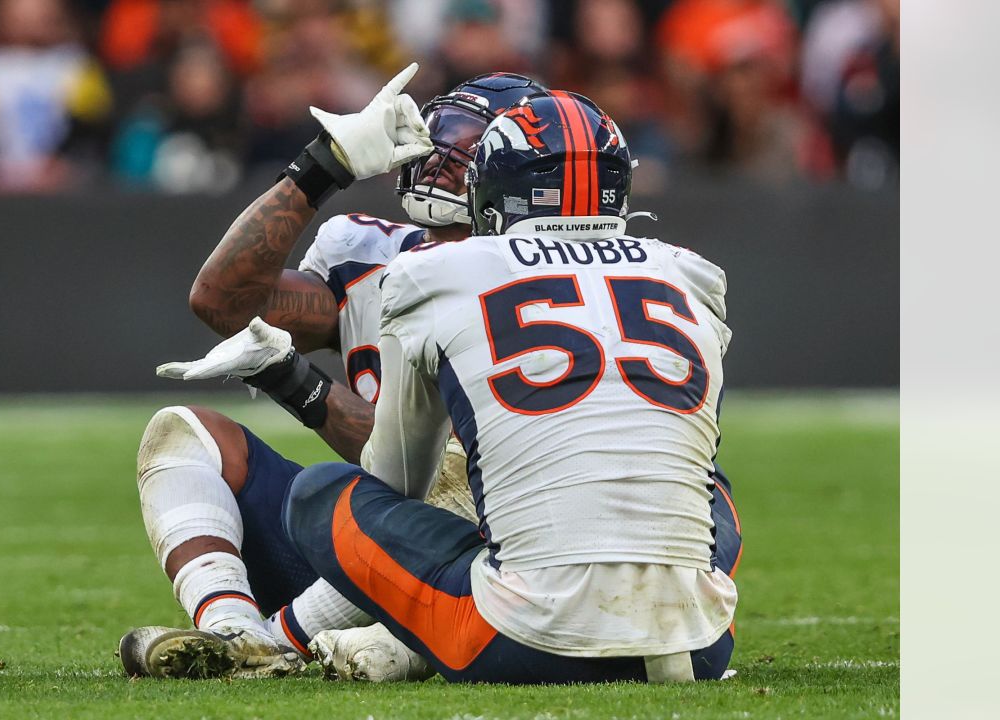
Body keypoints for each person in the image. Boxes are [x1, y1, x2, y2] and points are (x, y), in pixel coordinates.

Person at [232, 90, 741, 683]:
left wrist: (297, 385)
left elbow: (396, 482)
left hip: (520, 642)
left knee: (322, 493)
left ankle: (376, 640)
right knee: (711, 483)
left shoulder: (435, 273)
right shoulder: (689, 270)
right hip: (699, 647)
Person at [119, 64, 548, 680]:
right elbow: (221, 301)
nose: (438, 163)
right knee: (185, 433)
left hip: (479, 561)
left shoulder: (538, 288)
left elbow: (437, 476)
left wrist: (296, 384)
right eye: (441, 139)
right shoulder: (372, 251)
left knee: (436, 493)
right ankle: (229, 628)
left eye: (467, 151)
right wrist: (324, 165)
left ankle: (267, 645)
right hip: (361, 548)